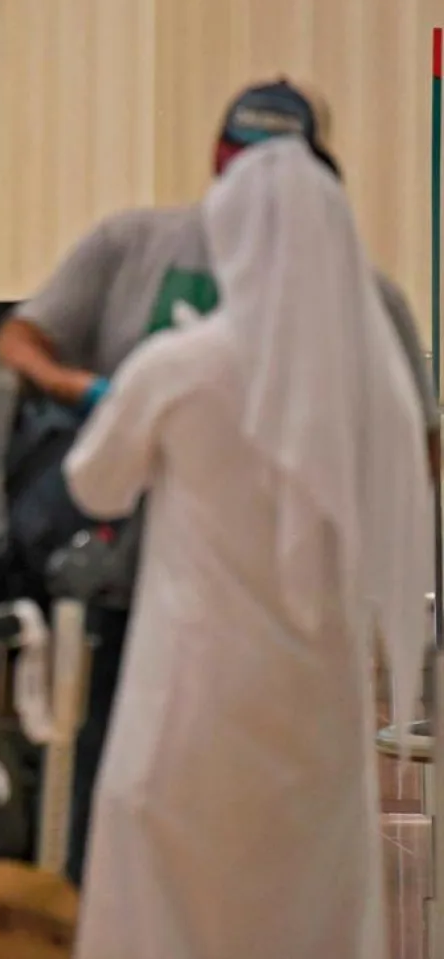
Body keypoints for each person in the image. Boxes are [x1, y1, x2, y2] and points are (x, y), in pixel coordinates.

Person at [0, 78, 440, 884]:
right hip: (178, 603)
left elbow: (96, 483)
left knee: (171, 835)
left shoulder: (186, 363)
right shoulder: (137, 247)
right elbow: (418, 466)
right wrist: (82, 393)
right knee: (284, 854)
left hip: (208, 618)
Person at [66, 139, 431, 959]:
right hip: (317, 695)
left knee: (168, 898)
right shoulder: (370, 381)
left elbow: (95, 486)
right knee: (302, 901)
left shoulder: (179, 364)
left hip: (191, 684)